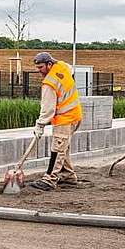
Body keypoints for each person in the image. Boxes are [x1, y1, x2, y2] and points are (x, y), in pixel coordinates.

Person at [29, 52, 82, 191]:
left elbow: (47, 109)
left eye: (41, 67)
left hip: (65, 119)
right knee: (63, 147)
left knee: (57, 149)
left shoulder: (49, 83)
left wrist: (40, 126)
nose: (38, 70)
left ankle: (50, 179)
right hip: (75, 116)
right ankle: (68, 176)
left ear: (49, 64)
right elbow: (71, 69)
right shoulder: (62, 66)